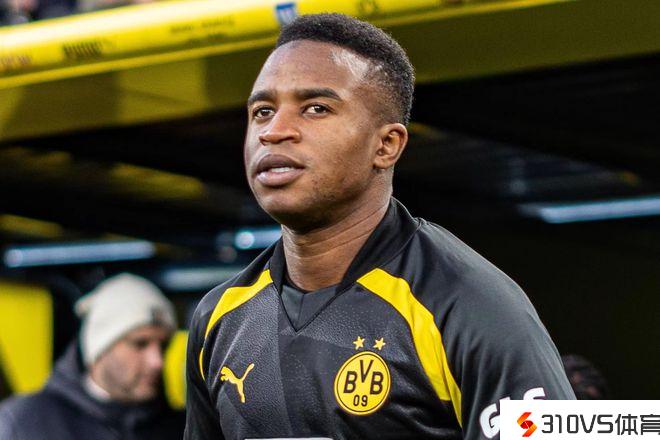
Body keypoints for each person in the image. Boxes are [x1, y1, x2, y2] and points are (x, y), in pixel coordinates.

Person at [184, 13, 575, 440]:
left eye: (316, 109)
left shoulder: (469, 305)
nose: (274, 131)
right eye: (262, 111)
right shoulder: (218, 317)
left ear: (386, 145)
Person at [0, 273, 185, 440]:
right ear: (100, 348)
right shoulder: (24, 424)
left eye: (163, 346)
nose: (157, 361)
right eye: (140, 344)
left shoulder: (183, 428)